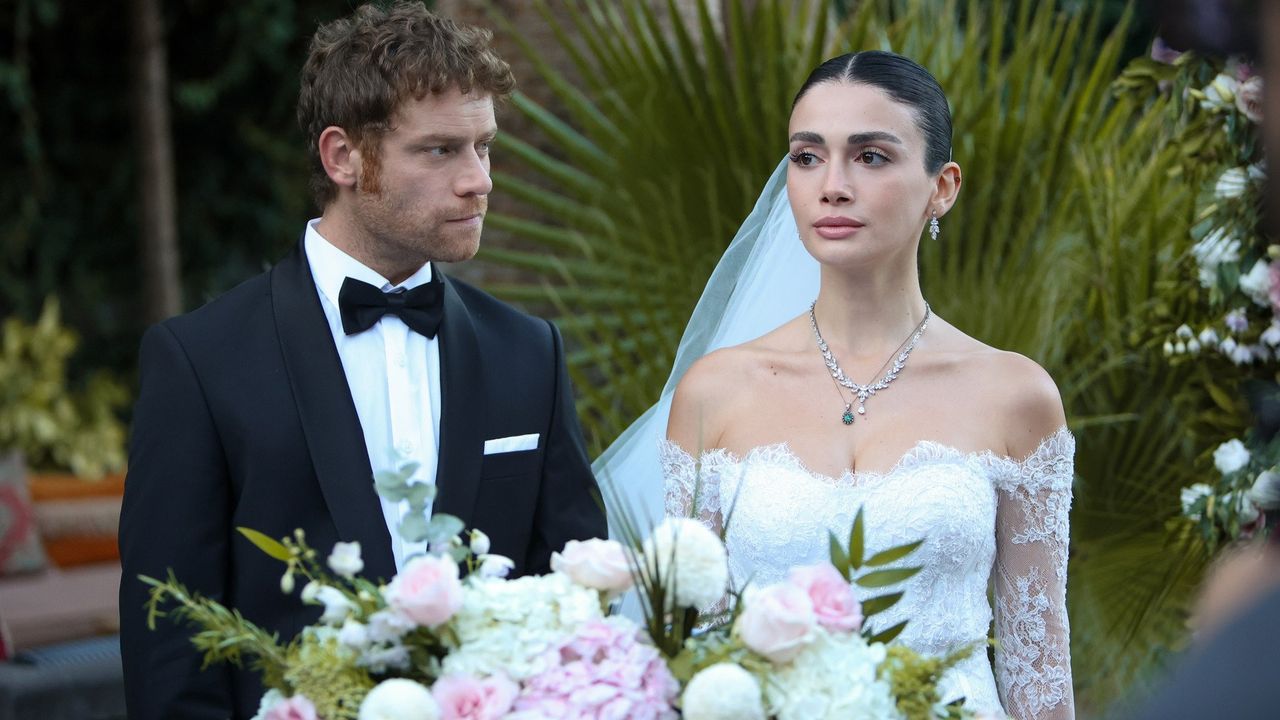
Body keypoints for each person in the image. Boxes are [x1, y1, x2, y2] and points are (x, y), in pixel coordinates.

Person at [118, 4, 606, 718]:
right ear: (342, 157)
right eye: (440, 150)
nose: (479, 180)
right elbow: (172, 643)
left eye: (483, 147)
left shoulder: (529, 353)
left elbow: (577, 605)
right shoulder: (200, 362)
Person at [598, 51, 1074, 719]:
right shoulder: (716, 393)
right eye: (808, 157)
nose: (833, 186)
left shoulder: (1015, 396)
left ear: (942, 187)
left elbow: (1038, 670)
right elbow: (694, 656)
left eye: (871, 156)